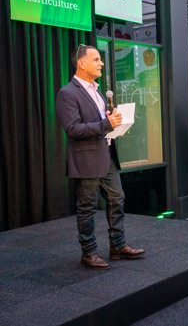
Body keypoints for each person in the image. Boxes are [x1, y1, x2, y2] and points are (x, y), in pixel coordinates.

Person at [55, 44, 145, 270]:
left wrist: (114, 121)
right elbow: (72, 129)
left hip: (107, 155)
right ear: (81, 63)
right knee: (87, 206)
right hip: (86, 160)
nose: (101, 63)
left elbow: (99, 123)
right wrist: (106, 124)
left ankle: (118, 246)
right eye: (96, 59)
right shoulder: (67, 93)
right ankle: (89, 253)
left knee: (117, 199)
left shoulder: (97, 91)